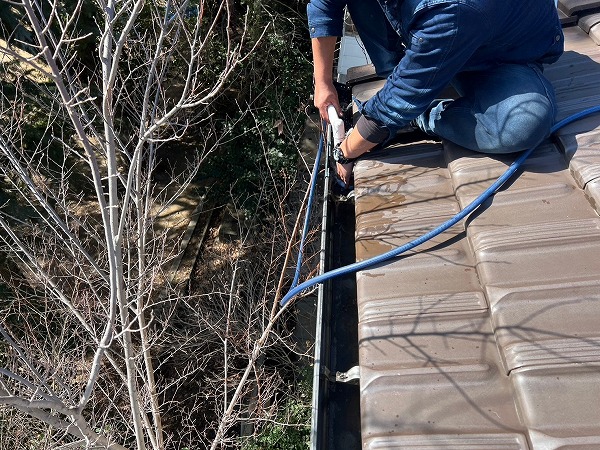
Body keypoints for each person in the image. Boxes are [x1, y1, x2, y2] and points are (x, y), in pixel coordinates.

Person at [307, 0, 565, 186]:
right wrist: (323, 82)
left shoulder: (449, 10)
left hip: (499, 55)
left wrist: (346, 151)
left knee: (520, 126)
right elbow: (323, 4)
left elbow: (385, 113)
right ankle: (409, 75)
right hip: (450, 29)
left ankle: (418, 114)